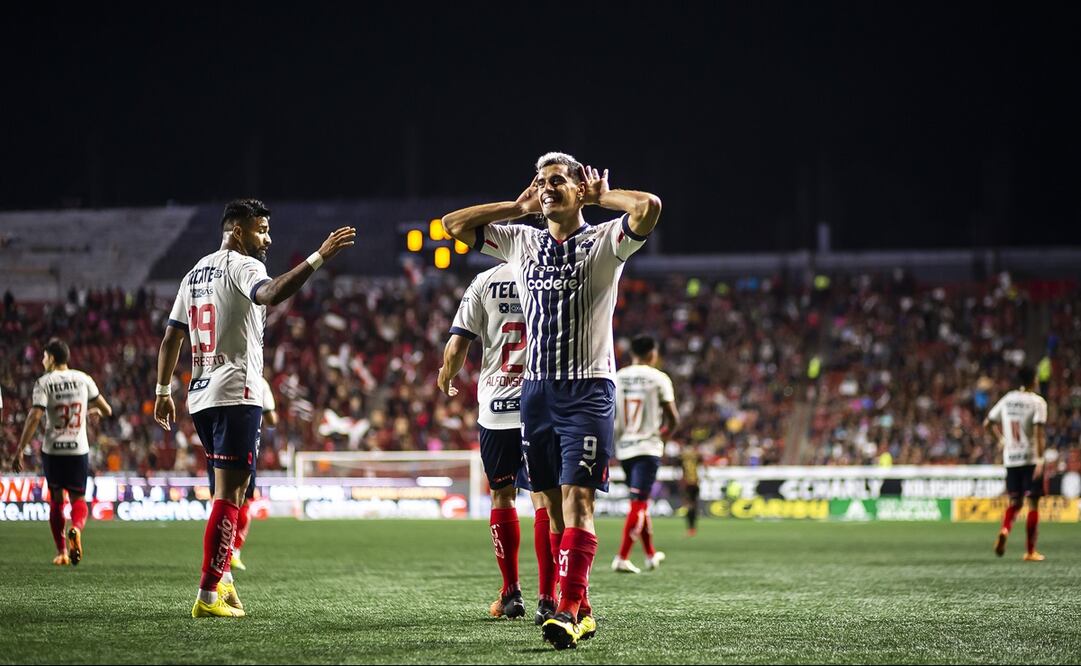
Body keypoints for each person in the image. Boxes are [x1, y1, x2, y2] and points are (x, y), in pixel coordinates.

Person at [442, 151, 661, 650]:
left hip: (587, 390)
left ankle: (567, 610)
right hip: (536, 392)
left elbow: (649, 207)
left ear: (578, 188)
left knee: (578, 498)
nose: (546, 188)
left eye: (557, 180)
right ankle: (581, 607)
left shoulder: (604, 241)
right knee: (553, 512)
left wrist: (604, 196)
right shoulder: (521, 241)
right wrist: (516, 207)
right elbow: (453, 226)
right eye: (541, 181)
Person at [153, 198, 354, 618]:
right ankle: (208, 594)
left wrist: (162, 390)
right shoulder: (243, 265)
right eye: (261, 230)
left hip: (201, 394)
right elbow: (272, 293)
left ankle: (224, 577)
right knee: (232, 494)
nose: (268, 238)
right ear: (238, 231)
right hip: (236, 392)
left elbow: (172, 336)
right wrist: (319, 256)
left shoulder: (194, 273)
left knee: (228, 492)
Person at [437, 262, 558, 625]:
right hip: (541, 403)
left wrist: (446, 374)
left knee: (502, 495)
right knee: (544, 498)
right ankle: (548, 599)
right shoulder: (552, 272)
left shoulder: (485, 280)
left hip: (496, 406)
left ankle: (511, 593)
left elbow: (457, 346)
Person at [13, 338, 112, 566]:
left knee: (57, 500)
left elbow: (35, 416)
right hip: (78, 449)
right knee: (78, 498)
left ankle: (62, 552)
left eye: (44, 357)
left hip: (53, 450)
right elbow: (107, 410)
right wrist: (95, 411)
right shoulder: (83, 379)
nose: (42, 361)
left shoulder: (44, 382)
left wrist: (19, 449)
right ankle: (76, 528)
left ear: (52, 358)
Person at [611, 335, 679, 574]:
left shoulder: (617, 377)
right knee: (639, 504)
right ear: (652, 353)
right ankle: (622, 557)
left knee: (639, 502)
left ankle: (650, 555)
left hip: (624, 447)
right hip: (647, 448)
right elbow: (673, 419)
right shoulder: (659, 378)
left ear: (632, 353)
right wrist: (662, 437)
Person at [985, 365, 1048, 561]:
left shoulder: (1008, 399)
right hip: (1030, 458)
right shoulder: (1038, 402)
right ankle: (1030, 551)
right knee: (1033, 504)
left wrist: (1001, 440)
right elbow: (1039, 434)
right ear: (1033, 380)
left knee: (1015, 502)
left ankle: (1005, 529)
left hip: (1011, 459)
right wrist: (1040, 460)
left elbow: (987, 424)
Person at [230, 374, 277, 572]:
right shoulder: (259, 382)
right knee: (243, 499)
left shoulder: (215, 372)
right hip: (245, 444)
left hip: (216, 444)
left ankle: (218, 556)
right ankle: (234, 552)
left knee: (220, 498)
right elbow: (271, 420)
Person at [680, 445, 702, 537]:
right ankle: (692, 529)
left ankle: (691, 529)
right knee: (692, 506)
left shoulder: (684, 461)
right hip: (694, 485)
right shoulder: (695, 459)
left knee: (689, 507)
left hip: (690, 485)